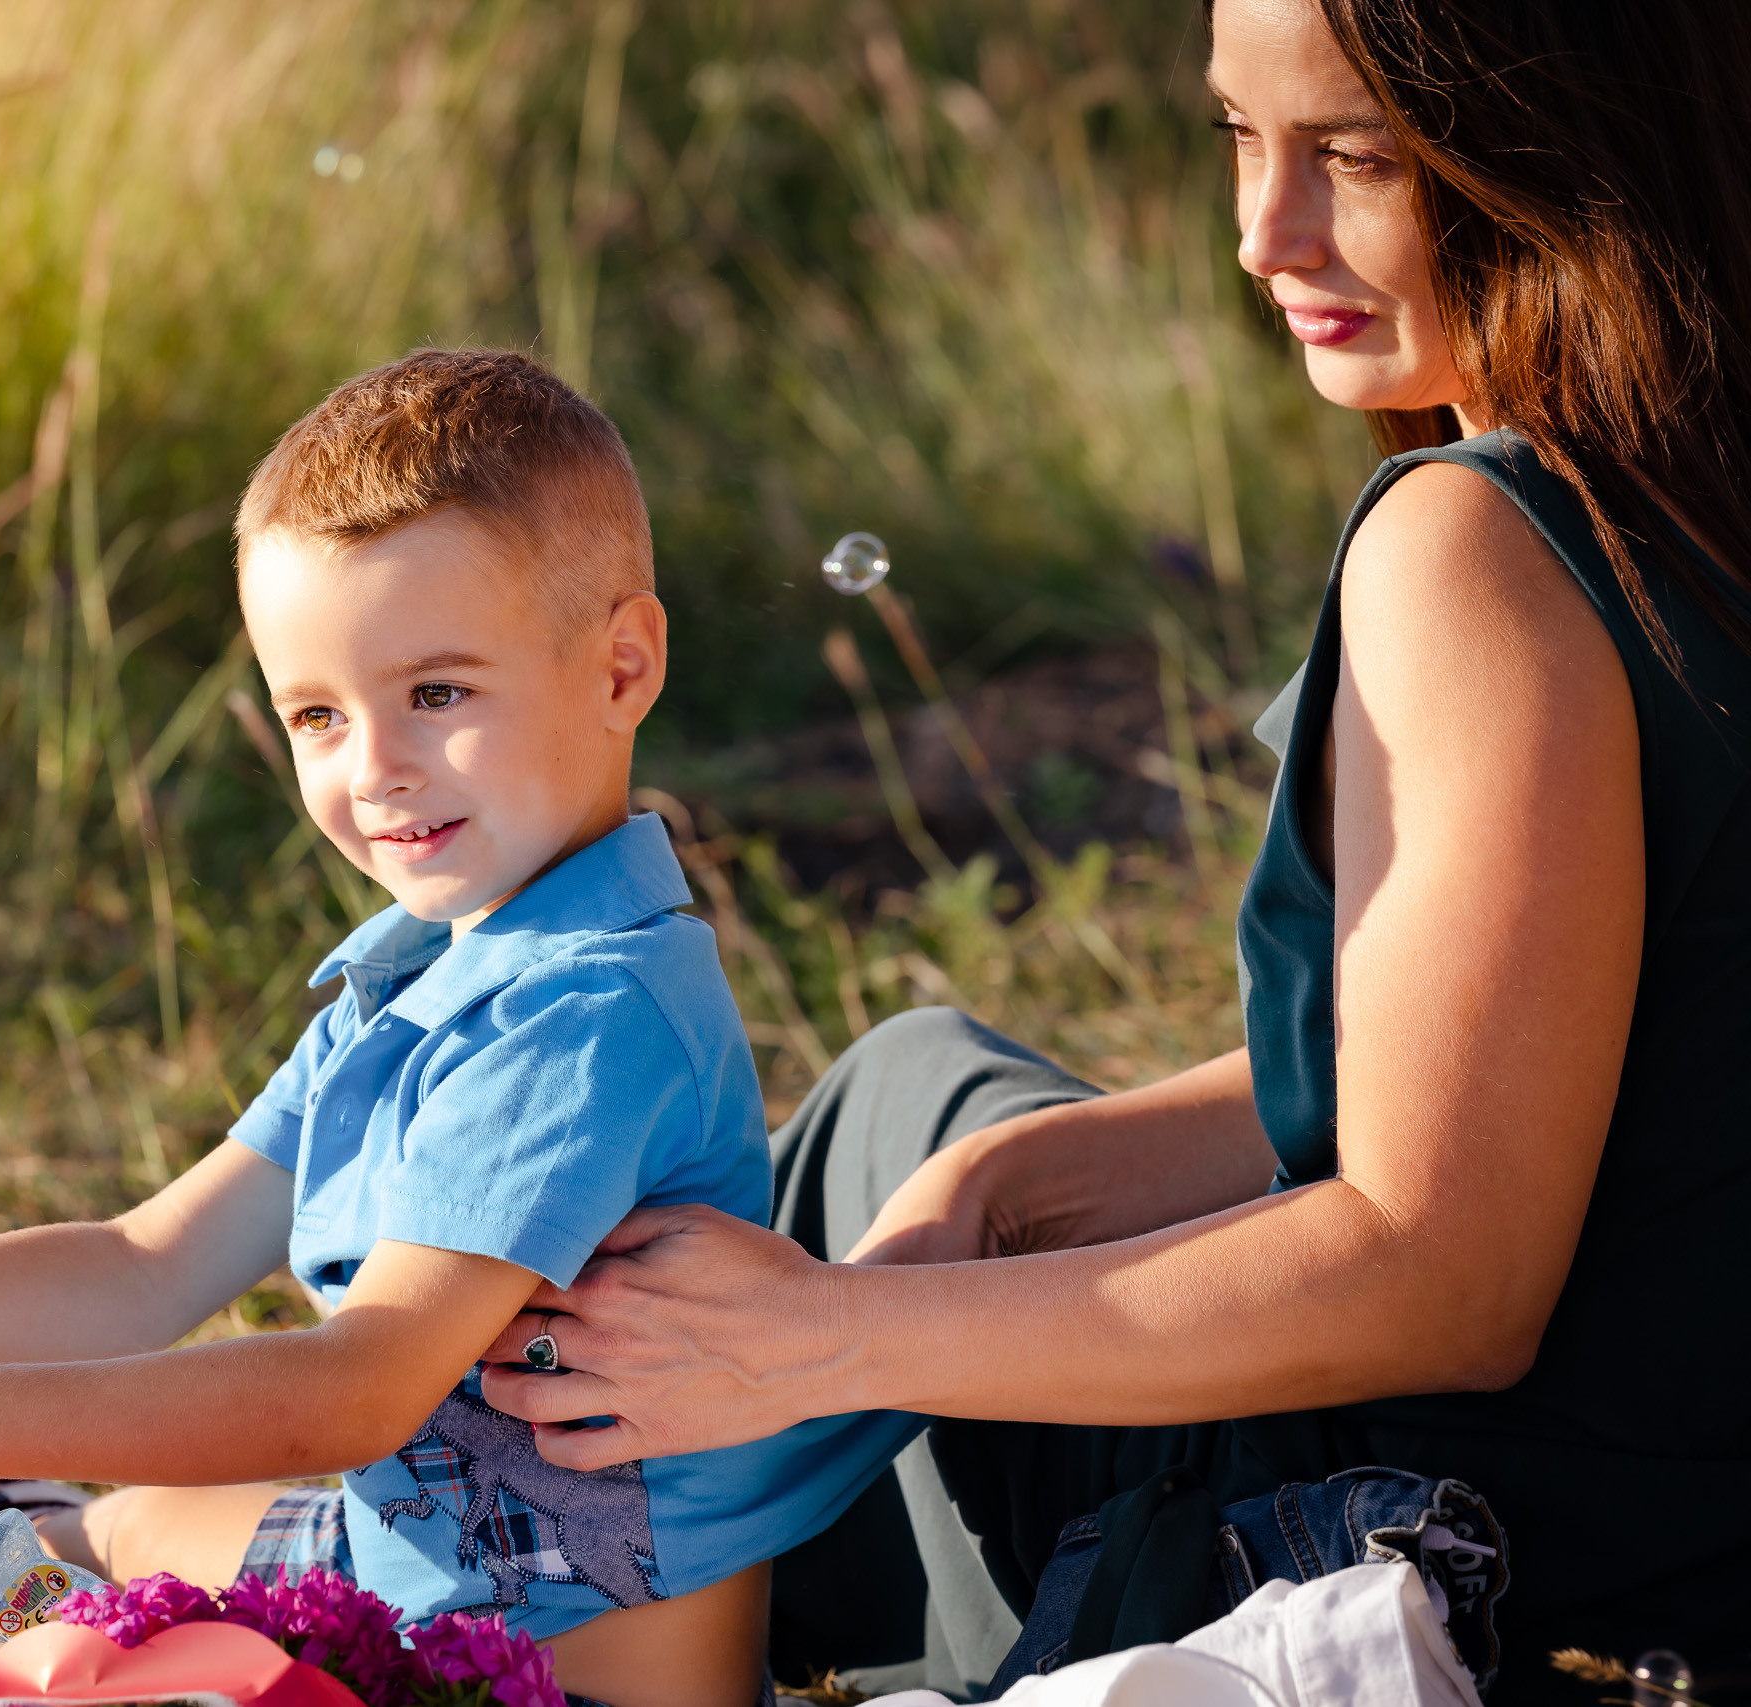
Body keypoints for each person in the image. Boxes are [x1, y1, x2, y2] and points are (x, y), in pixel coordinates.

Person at [474, 0, 1751, 1700]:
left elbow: (1450, 1276)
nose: (1262, 232)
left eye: (1357, 156)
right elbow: (1570, 1057)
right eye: (1238, 136)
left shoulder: (1480, 549)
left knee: (821, 1201)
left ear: (1577, 146)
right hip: (1658, 1533)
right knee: (931, 1114)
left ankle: (425, 1554)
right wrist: (1024, 1188)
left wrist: (816, 1339)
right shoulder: (1687, 490)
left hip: (1433, 1566)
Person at [0, 349, 917, 1707]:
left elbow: (356, 1392)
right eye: (318, 714)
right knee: (91, 1536)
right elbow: (141, 1266)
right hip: (391, 1584)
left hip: (544, 1689)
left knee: (76, 1625)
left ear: (622, 666)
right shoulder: (425, 979)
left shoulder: (586, 1013)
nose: (375, 769)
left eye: (437, 694)